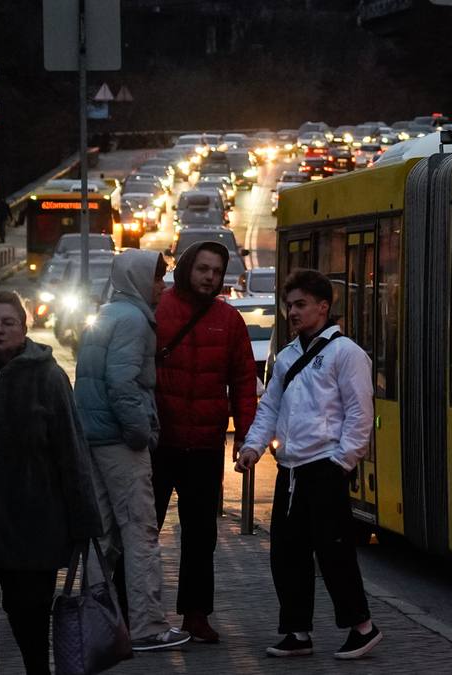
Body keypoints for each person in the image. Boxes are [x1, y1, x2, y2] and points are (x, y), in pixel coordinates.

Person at [235, 268, 381, 660]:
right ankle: (297, 631)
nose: (292, 312)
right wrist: (253, 446)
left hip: (325, 467)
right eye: (288, 306)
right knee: (287, 552)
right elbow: (270, 407)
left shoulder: (345, 354)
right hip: (292, 470)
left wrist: (342, 462)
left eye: (300, 305)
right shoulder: (286, 357)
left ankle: (361, 626)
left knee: (333, 552)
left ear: (323, 306)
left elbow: (359, 413)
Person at [0, 291, 102, 674]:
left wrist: (84, 526)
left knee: (31, 629)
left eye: (8, 323)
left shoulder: (48, 378)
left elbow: (72, 454)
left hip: (31, 532)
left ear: (24, 328)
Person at [74, 249, 191, 652]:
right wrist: (141, 433)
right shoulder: (134, 321)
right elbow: (122, 384)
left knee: (103, 536)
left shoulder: (106, 313)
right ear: (140, 280)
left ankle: (97, 623)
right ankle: (148, 625)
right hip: (121, 443)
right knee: (141, 533)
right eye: (157, 279)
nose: (162, 287)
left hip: (93, 437)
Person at [153, 241, 257, 643]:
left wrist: (245, 436)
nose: (210, 277)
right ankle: (129, 611)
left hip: (205, 446)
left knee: (200, 537)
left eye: (216, 271)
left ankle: (196, 616)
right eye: (203, 269)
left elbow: (244, 380)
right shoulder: (158, 309)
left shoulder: (229, 320)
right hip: (159, 443)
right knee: (144, 532)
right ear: (186, 269)